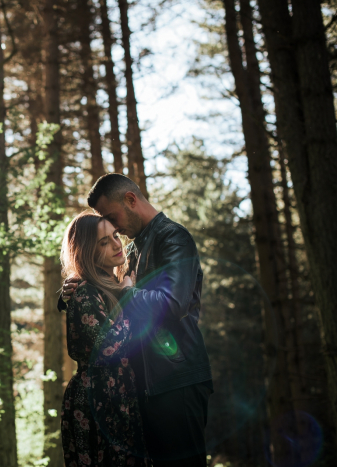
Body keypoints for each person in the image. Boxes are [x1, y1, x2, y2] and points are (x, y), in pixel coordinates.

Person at [62, 174, 213, 467]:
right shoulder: (131, 248)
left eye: (110, 217)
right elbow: (105, 290)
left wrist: (127, 291)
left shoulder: (173, 238)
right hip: (142, 386)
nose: (113, 228)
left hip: (175, 380)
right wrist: (73, 287)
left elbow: (173, 304)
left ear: (131, 199)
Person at [59, 211, 149, 467]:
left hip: (120, 395)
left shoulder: (112, 283)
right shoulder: (86, 292)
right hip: (98, 398)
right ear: (87, 250)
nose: (116, 244)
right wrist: (129, 296)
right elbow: (109, 347)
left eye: (115, 236)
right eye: (103, 242)